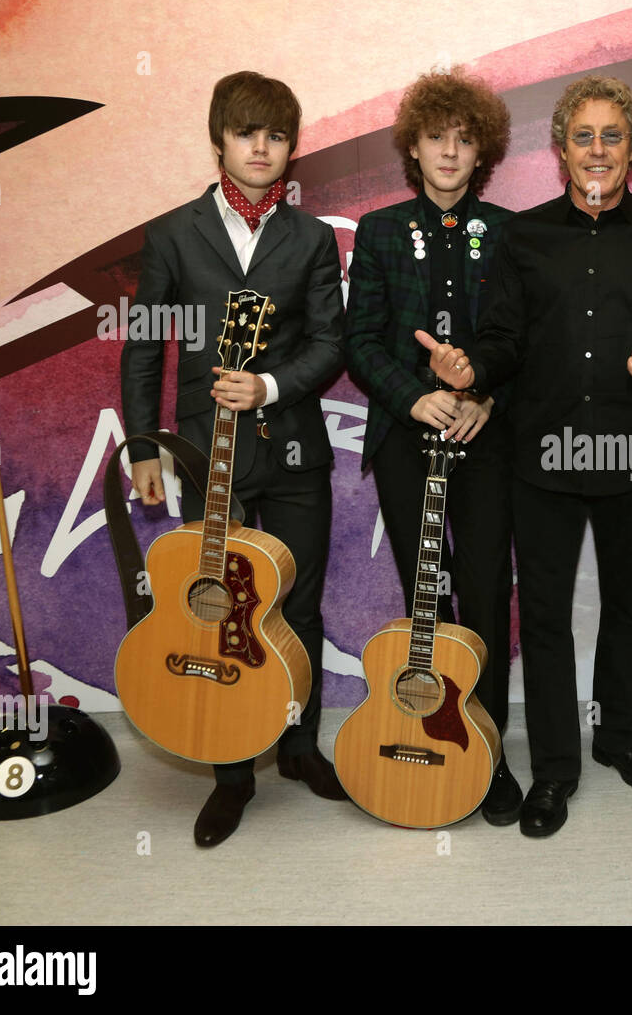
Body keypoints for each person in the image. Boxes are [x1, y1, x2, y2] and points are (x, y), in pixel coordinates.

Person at [417, 75, 632, 837]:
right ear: (560, 148)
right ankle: (555, 771)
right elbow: (504, 337)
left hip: (631, 450)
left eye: (612, 136)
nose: (597, 150)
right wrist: (472, 368)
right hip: (539, 456)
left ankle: (619, 739)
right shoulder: (523, 235)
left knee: (627, 609)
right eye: (583, 136)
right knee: (541, 619)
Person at [122, 70, 348, 847]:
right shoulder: (175, 233)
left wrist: (271, 384)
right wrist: (144, 445)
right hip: (202, 455)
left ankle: (299, 747)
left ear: (292, 148)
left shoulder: (313, 238)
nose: (262, 147)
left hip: (292, 449)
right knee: (214, 608)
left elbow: (330, 343)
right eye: (248, 132)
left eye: (278, 135)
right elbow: (145, 344)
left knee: (299, 606)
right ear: (219, 137)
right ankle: (230, 773)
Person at [343, 68, 520, 825]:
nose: (450, 152)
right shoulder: (380, 231)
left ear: (482, 152)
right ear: (412, 147)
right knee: (428, 593)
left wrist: (484, 396)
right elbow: (359, 342)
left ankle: (491, 746)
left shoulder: (510, 231)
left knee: (484, 589)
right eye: (436, 138)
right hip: (405, 435)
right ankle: (429, 730)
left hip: (484, 435)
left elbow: (521, 341)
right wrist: (414, 396)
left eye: (464, 139)